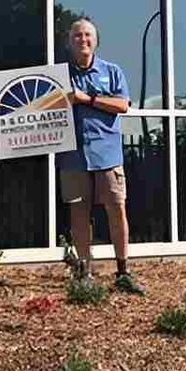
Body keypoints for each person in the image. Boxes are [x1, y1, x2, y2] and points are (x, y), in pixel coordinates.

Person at [59, 16, 142, 294]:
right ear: (69, 42)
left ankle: (123, 271)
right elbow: (34, 104)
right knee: (79, 213)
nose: (83, 39)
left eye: (87, 35)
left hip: (107, 154)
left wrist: (88, 99)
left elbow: (123, 105)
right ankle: (84, 271)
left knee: (117, 209)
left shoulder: (112, 71)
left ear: (96, 41)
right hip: (73, 156)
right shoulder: (59, 76)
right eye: (77, 36)